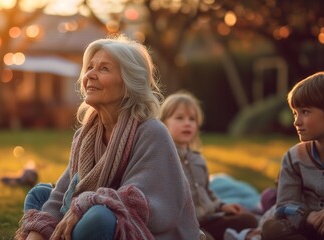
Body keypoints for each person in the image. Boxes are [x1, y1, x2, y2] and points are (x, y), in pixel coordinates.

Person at [14, 35, 201, 240]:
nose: (90, 74)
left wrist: (85, 204)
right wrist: (37, 232)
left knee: (100, 216)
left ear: (129, 83)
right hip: (89, 215)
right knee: (40, 194)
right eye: (90, 67)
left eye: (104, 68)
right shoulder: (85, 136)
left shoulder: (152, 132)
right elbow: (63, 192)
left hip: (138, 229)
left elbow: (140, 202)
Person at [158, 90, 258, 240]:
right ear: (163, 123)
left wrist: (222, 206)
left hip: (209, 218)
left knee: (249, 219)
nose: (187, 123)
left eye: (192, 119)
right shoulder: (163, 159)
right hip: (184, 224)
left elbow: (207, 191)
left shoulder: (198, 160)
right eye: (179, 118)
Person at [261, 71, 324, 240]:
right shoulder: (294, 157)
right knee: (271, 228)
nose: (296, 121)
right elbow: (283, 206)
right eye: (295, 113)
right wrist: (309, 216)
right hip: (304, 228)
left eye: (305, 112)